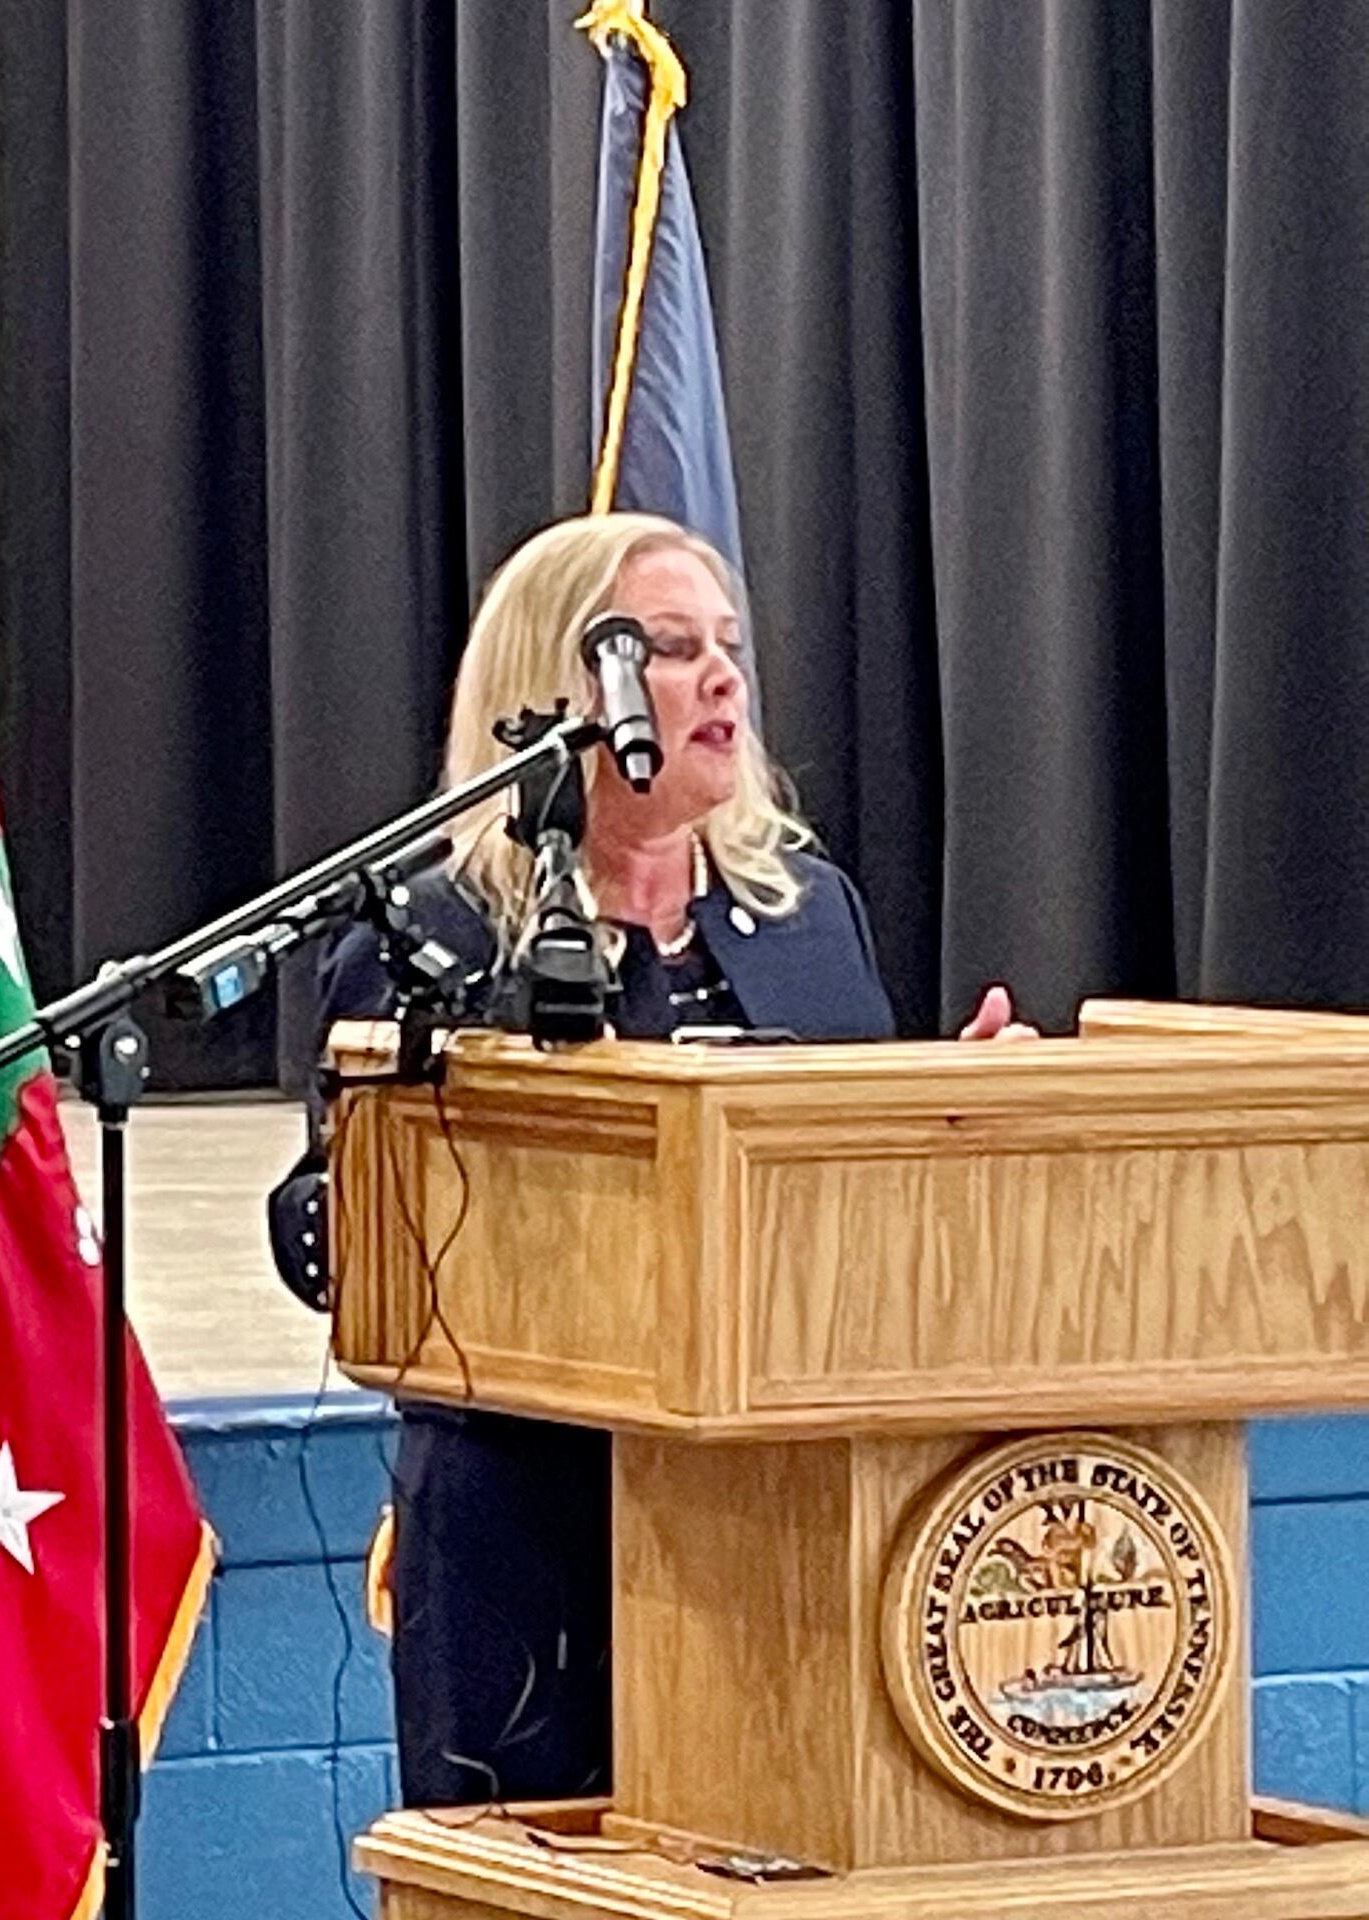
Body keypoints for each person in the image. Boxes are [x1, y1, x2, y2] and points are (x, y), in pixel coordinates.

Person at [302, 512, 1026, 1806]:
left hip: (783, 1506)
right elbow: (348, 1230)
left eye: (729, 648)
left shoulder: (807, 909)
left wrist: (956, 1108)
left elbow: (844, 1179)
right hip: (526, 1515)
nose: (723, 680)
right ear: (566, 691)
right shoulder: (438, 937)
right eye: (675, 649)